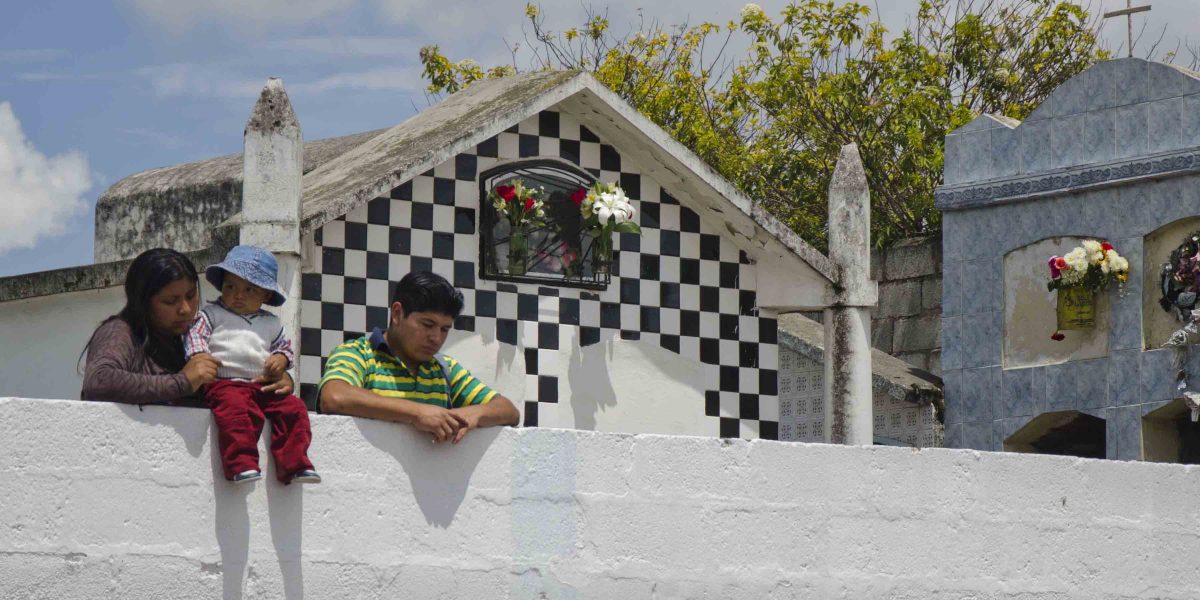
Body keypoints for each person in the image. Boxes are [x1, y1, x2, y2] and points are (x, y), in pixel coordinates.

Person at [319, 271, 520, 443]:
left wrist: (473, 414)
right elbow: (335, 397)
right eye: (427, 324)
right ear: (397, 314)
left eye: (445, 329)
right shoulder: (358, 353)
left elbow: (508, 410)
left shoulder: (444, 368)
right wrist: (417, 413)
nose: (436, 338)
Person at [183, 245, 319, 485]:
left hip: (262, 385)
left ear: (266, 295)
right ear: (221, 286)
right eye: (230, 287)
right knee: (235, 412)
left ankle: (295, 464)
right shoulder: (211, 314)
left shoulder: (272, 323)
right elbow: (195, 337)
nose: (238, 295)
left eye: (249, 289)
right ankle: (241, 464)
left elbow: (284, 348)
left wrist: (281, 360)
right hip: (225, 385)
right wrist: (201, 357)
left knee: (294, 409)